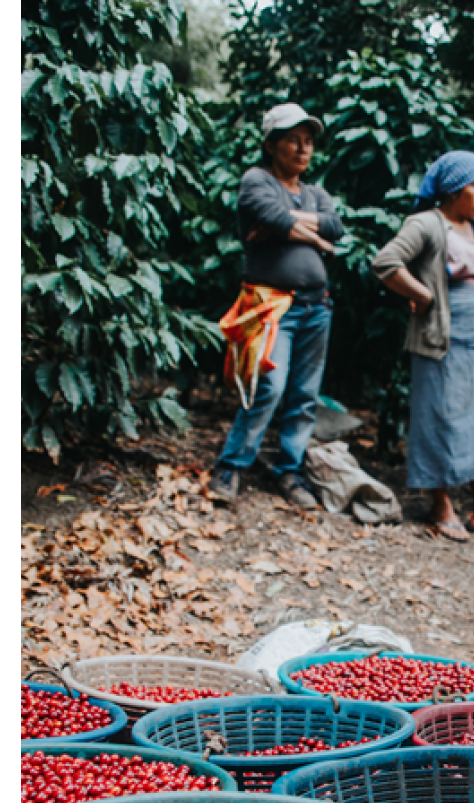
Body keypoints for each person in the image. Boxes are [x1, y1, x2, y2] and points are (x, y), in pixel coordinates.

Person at [370, 151, 474, 549]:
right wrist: (421, 295)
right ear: (456, 190)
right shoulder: (426, 224)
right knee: (439, 412)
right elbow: (386, 262)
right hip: (444, 334)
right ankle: (440, 506)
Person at [211, 102, 344, 509]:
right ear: (271, 144)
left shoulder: (315, 192)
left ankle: (289, 471)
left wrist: (295, 225)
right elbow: (269, 214)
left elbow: (336, 227)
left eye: (308, 142)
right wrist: (313, 234)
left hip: (316, 307)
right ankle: (231, 465)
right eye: (293, 141)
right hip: (272, 306)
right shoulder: (256, 179)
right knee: (268, 386)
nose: (303, 149)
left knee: (304, 394)